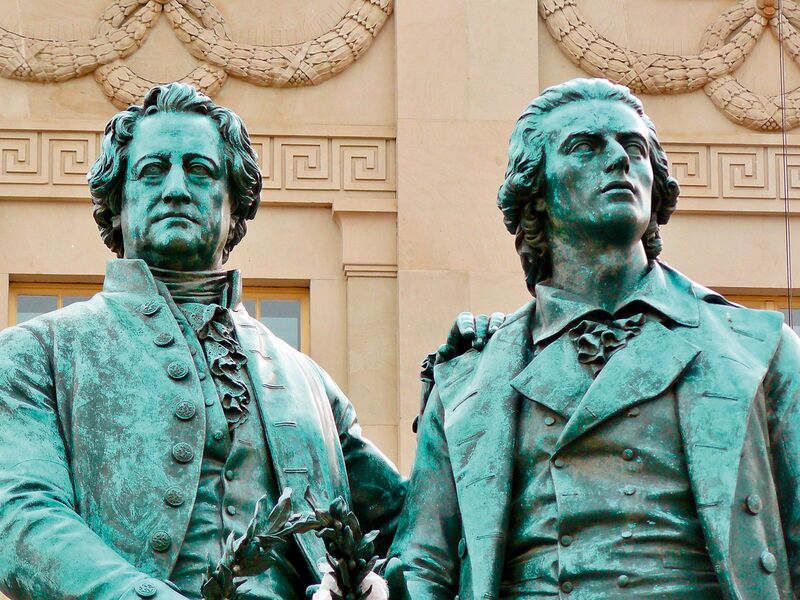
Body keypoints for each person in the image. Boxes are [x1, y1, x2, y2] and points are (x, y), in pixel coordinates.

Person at [0, 83, 492, 600]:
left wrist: (461, 393)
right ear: (116, 204)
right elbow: (19, 518)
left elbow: (418, 540)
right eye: (151, 171)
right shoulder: (38, 353)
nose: (176, 188)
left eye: (200, 170)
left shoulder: (307, 382)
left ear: (235, 206)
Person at [389, 77, 800, 600]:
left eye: (634, 147)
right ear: (536, 195)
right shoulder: (468, 378)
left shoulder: (759, 347)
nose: (619, 159)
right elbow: (422, 563)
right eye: (585, 147)